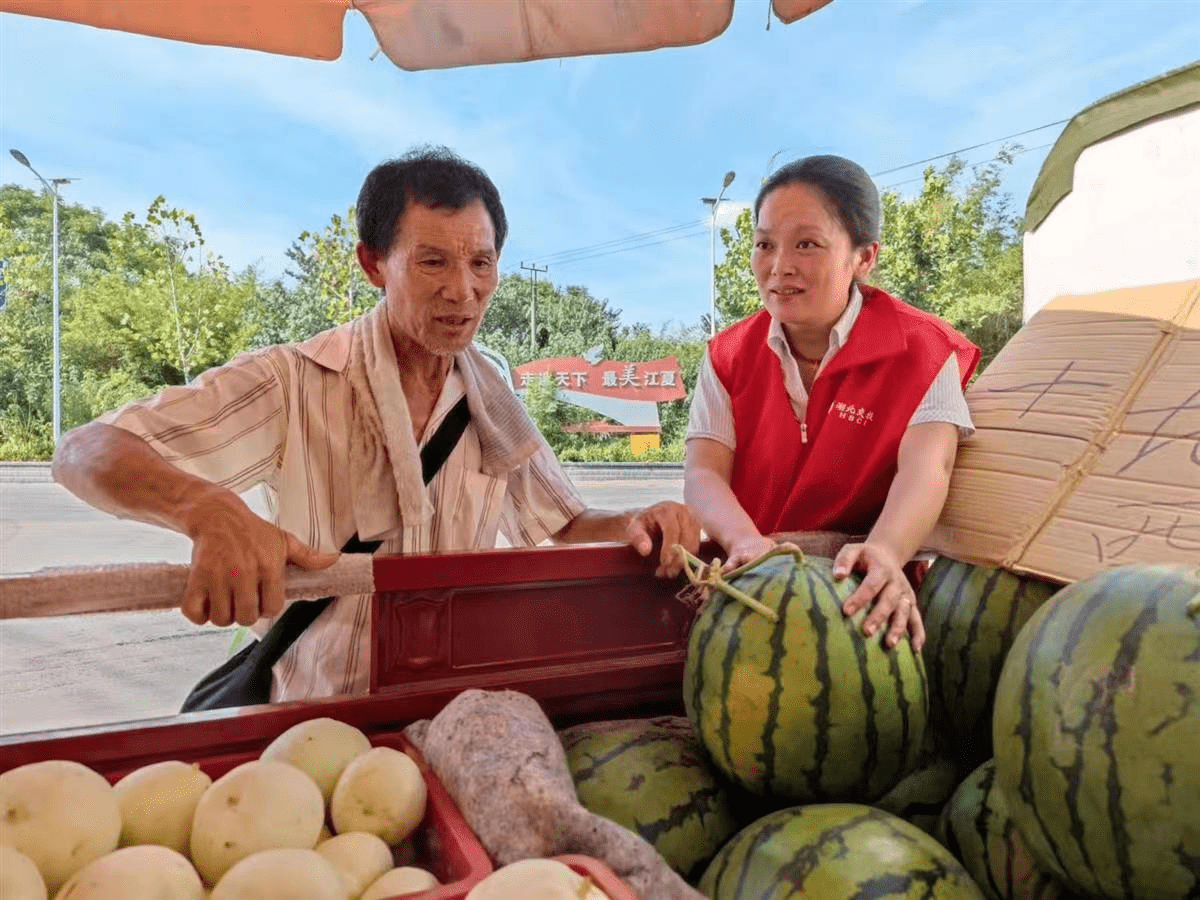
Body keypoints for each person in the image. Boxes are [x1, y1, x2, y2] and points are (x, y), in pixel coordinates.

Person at [52, 146, 700, 703]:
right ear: (373, 265)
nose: (464, 290)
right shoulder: (292, 382)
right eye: (433, 262)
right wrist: (205, 509)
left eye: (481, 262)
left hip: (453, 714)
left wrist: (640, 523)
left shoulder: (492, 400)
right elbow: (85, 450)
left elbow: (565, 526)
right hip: (315, 719)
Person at [684, 155, 980, 653]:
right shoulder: (727, 357)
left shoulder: (926, 352)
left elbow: (930, 467)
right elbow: (703, 472)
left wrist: (886, 551)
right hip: (753, 589)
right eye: (764, 244)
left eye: (807, 244)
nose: (779, 267)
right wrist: (745, 544)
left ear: (864, 257)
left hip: (861, 599)